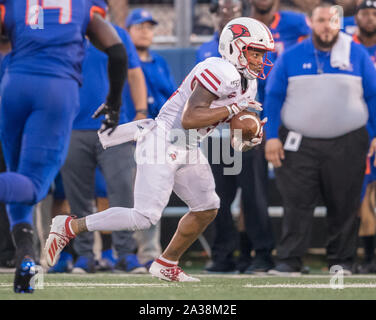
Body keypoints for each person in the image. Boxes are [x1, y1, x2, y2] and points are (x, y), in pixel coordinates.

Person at [45, 16, 274, 282]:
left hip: (188, 143)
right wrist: (234, 110)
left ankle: (166, 263)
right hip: (163, 139)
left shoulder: (249, 84)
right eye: (255, 52)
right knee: (144, 216)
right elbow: (191, 118)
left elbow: (227, 129)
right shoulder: (220, 70)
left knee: (207, 206)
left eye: (262, 54)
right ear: (235, 47)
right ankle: (70, 226)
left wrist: (247, 137)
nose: (260, 60)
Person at [0, 0, 129, 293]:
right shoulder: (83, 5)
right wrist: (114, 103)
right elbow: (117, 52)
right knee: (32, 186)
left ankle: (27, 262)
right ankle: (27, 261)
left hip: (14, 85)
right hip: (56, 88)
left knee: (17, 178)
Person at [264, 1, 376, 275]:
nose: (327, 26)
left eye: (332, 21)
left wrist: (374, 134)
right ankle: (289, 261)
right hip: (299, 143)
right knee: (296, 203)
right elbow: (273, 96)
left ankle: (341, 262)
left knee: (344, 204)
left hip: (348, 141)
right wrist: (271, 137)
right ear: (311, 23)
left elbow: (373, 96)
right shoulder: (291, 55)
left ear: (340, 23)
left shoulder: (357, 54)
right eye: (322, 20)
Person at [60, 19, 148, 274]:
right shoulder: (64, 32)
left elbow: (134, 72)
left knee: (122, 192)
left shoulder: (118, 33)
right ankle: (84, 255)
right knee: (78, 197)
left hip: (114, 127)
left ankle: (126, 254)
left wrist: (141, 111)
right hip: (72, 126)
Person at [125, 8, 177, 269]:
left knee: (151, 197)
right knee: (120, 194)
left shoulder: (159, 63)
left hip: (156, 139)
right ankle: (119, 253)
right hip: (126, 137)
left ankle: (148, 254)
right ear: (128, 31)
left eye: (149, 26)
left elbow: (173, 96)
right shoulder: (119, 60)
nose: (145, 31)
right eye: (139, 26)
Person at [352, 0, 376, 273]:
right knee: (363, 196)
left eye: (374, 13)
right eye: (365, 13)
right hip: (360, 130)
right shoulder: (348, 49)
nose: (370, 18)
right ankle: (369, 258)